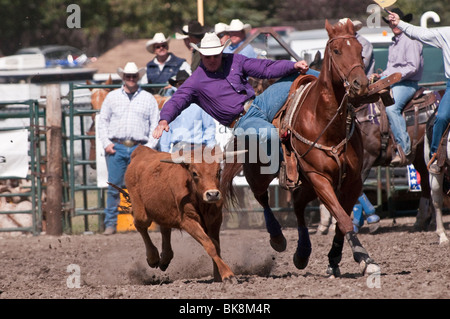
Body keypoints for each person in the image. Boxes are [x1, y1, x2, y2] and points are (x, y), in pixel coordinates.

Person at [152, 32, 319, 173]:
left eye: (216, 55)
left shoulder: (235, 61)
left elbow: (265, 68)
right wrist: (164, 120)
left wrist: (293, 65)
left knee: (303, 74)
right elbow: (177, 101)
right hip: (243, 120)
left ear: (221, 52)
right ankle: (288, 165)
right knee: (268, 133)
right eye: (208, 57)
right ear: (201, 56)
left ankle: (341, 86)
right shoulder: (195, 81)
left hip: (261, 102)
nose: (212, 60)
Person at [97, 62, 160, 235]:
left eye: (134, 76)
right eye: (128, 76)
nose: (131, 79)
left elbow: (155, 124)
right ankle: (110, 223)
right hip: (117, 146)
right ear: (123, 77)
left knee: (145, 187)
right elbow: (103, 122)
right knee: (114, 186)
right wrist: (106, 143)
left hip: (139, 148)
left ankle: (147, 221)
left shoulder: (148, 98)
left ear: (138, 77)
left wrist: (149, 147)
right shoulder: (111, 98)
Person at [388, 11, 450, 174]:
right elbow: (421, 33)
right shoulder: (446, 34)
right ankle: (436, 156)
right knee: (442, 116)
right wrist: (399, 23)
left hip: (407, 83)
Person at [372, 8, 424, 166]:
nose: (392, 25)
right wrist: (380, 76)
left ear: (403, 22)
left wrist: (393, 77)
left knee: (391, 109)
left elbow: (413, 66)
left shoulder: (411, 39)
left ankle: (404, 149)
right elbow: (390, 68)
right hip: (394, 82)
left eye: (395, 21)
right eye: (390, 23)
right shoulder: (393, 43)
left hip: (407, 84)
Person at [160, 70, 217, 153]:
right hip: (178, 149)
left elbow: (209, 126)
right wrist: (164, 152)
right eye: (180, 84)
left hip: (197, 148)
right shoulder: (170, 105)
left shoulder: (200, 103)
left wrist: (210, 148)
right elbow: (166, 131)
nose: (183, 86)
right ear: (176, 86)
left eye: (185, 83)